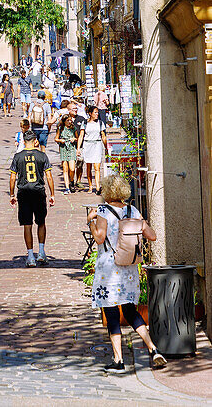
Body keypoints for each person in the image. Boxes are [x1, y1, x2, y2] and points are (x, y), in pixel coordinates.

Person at [87, 173, 167, 372]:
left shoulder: (104, 211)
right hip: (129, 269)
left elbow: (99, 238)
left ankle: (118, 360)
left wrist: (90, 220)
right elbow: (152, 236)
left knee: (112, 313)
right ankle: (153, 348)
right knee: (130, 311)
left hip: (109, 269)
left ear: (107, 191)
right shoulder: (133, 210)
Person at [9, 128, 55, 267]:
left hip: (23, 192)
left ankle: (30, 256)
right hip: (38, 191)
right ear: (35, 141)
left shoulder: (18, 157)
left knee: (27, 224)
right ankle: (41, 252)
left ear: (23, 141)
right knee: (41, 222)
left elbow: (12, 178)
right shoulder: (42, 156)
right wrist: (52, 194)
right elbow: (49, 176)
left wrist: (11, 194)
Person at [77, 105, 109, 194]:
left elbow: (103, 136)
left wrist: (106, 147)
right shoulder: (85, 123)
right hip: (87, 145)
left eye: (97, 112)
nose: (97, 114)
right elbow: (81, 135)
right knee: (88, 167)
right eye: (95, 112)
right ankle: (90, 186)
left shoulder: (100, 123)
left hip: (97, 145)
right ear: (90, 114)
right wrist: (78, 148)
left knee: (97, 167)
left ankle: (98, 187)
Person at [54, 112, 78, 193]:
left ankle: (71, 181)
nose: (70, 122)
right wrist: (61, 140)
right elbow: (56, 138)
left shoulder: (73, 128)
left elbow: (77, 138)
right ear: (64, 121)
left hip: (71, 148)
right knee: (65, 169)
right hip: (63, 148)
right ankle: (67, 187)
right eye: (68, 120)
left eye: (70, 120)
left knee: (72, 168)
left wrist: (74, 139)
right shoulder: (60, 128)